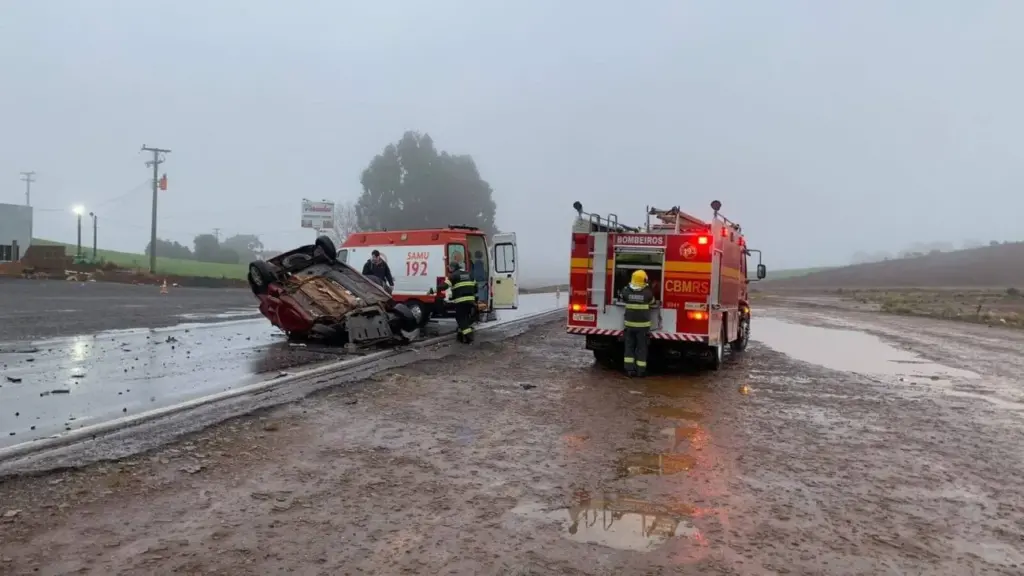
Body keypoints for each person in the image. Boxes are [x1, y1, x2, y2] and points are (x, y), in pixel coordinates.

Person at [619, 269, 655, 377]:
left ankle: (629, 370)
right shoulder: (647, 292)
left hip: (629, 325)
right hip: (643, 327)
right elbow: (652, 301)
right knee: (641, 348)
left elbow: (622, 297)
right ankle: (641, 371)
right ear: (644, 279)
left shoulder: (626, 291)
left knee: (629, 347)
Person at [443, 261, 478, 343]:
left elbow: (444, 286)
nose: (449, 269)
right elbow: (476, 289)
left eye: (450, 268)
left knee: (460, 319)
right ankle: (460, 337)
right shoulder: (469, 274)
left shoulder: (454, 275)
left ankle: (469, 337)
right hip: (470, 301)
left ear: (452, 268)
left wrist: (432, 290)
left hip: (461, 301)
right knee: (465, 319)